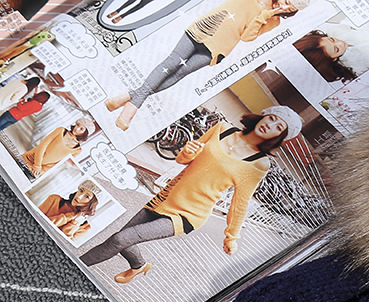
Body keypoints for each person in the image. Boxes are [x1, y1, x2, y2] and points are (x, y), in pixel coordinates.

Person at [82, 106, 302, 284]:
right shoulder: (222, 128)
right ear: (263, 116)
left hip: (188, 215)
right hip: (166, 197)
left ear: (279, 137)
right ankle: (139, 266)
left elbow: (240, 203)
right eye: (271, 118)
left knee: (121, 239)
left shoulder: (258, 164)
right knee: (121, 238)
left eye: (278, 127)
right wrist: (187, 152)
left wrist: (231, 237)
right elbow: (183, 160)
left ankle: (74, 265)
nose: (270, 125)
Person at [106, 0, 307, 130]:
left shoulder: (273, 21)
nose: (284, 4)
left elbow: (247, 37)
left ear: (292, 11)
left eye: (289, 6)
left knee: (179, 74)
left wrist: (266, 15)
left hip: (218, 48)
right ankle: (133, 107)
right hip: (203, 29)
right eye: (286, 0)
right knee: (171, 63)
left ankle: (127, 98)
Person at [295, 23, 369, 82]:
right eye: (336, 49)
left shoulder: (336, 31)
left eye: (332, 39)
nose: (340, 43)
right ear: (334, 59)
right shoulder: (356, 65)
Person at [21, 117, 93, 177]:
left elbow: (56, 164)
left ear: (85, 134)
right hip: (29, 159)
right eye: (78, 125)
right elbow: (42, 146)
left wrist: (41, 171)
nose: (77, 129)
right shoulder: (61, 130)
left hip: (37, 171)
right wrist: (37, 165)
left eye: (81, 129)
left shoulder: (77, 150)